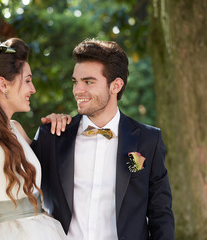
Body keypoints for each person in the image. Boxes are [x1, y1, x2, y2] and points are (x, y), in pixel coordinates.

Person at [31, 39, 175, 240]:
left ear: (115, 85)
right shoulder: (52, 136)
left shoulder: (148, 140)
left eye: (88, 82)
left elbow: (161, 214)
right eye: (75, 81)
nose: (77, 90)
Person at [0, 38, 69, 240]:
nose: (32, 89)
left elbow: (50, 167)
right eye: (27, 80)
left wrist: (56, 123)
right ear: (3, 84)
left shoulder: (15, 128)